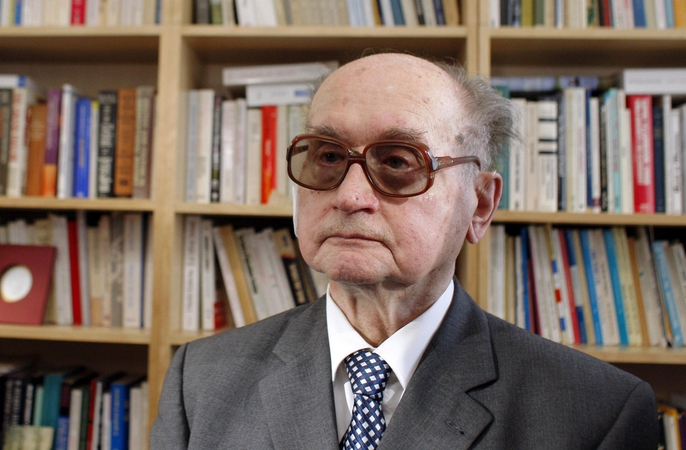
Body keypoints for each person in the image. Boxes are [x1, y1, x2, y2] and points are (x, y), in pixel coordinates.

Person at [151, 52, 658, 449]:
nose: (350, 196)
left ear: (480, 204)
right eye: (327, 156)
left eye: (398, 161)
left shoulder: (597, 412)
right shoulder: (200, 379)